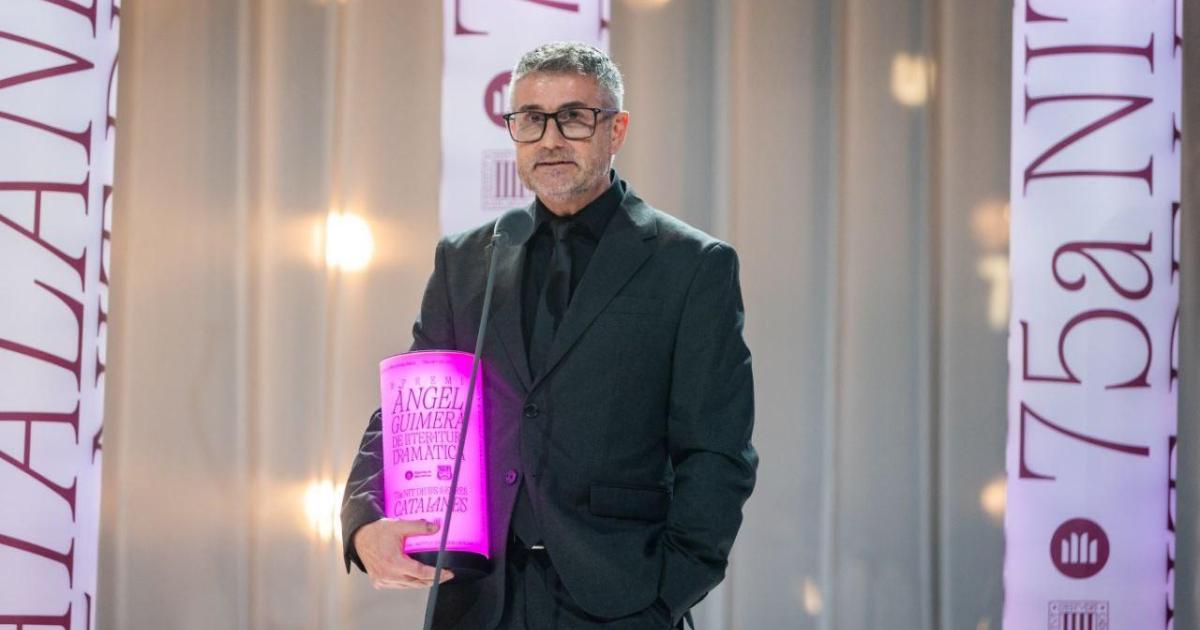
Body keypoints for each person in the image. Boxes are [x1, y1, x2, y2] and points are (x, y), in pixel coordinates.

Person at [340, 41, 757, 630]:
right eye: (531, 119)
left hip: (621, 602)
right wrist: (362, 520)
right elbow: (409, 406)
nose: (550, 139)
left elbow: (717, 451)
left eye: (574, 118)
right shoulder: (467, 259)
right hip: (478, 601)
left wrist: (668, 593)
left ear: (616, 130)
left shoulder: (690, 265)